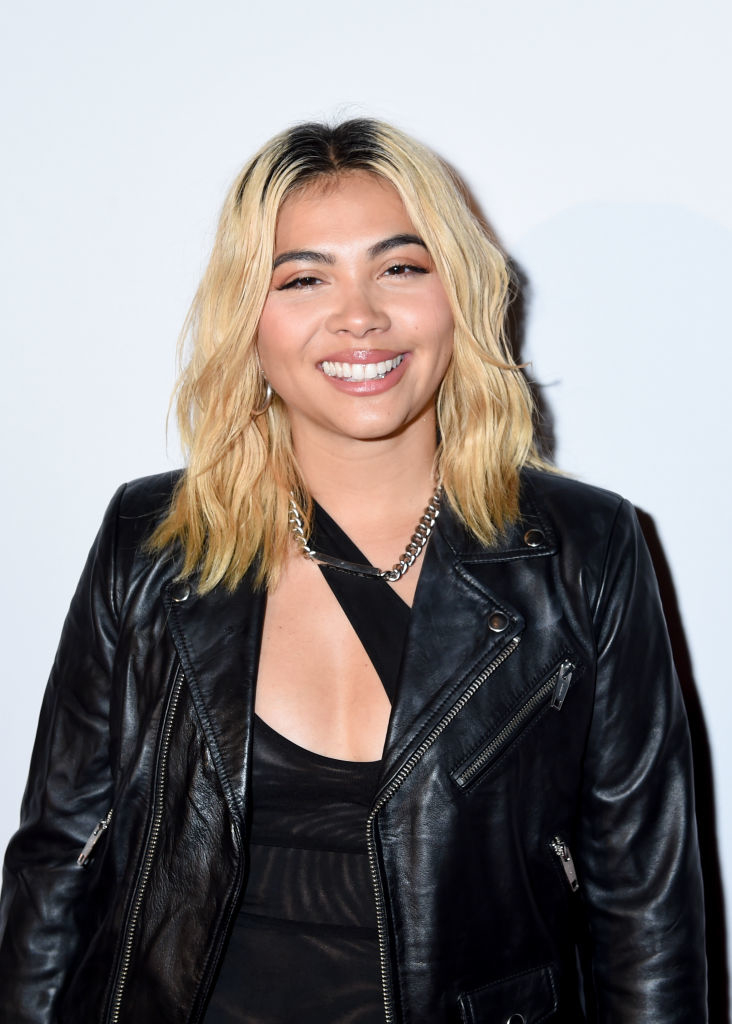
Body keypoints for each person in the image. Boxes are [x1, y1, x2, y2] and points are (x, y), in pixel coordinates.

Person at [0, 119, 707, 1023]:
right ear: (248, 319)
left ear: (460, 291)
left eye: (401, 268)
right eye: (303, 278)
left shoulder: (583, 550)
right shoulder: (153, 541)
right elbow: (58, 865)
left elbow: (646, 908)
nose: (360, 314)